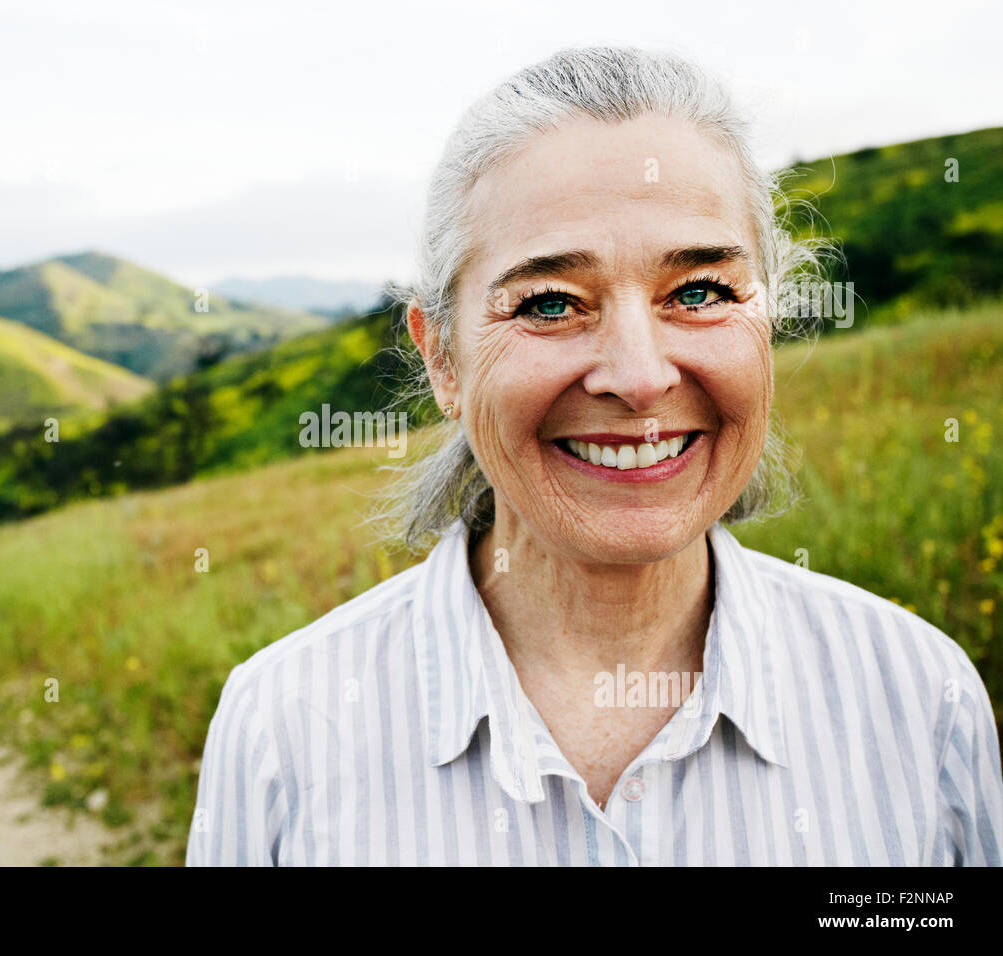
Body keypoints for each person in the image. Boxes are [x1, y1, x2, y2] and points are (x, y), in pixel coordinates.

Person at [186, 46, 1003, 866]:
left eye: (699, 293)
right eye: (550, 304)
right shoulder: (284, 728)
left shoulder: (918, 702)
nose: (640, 377)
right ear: (441, 359)